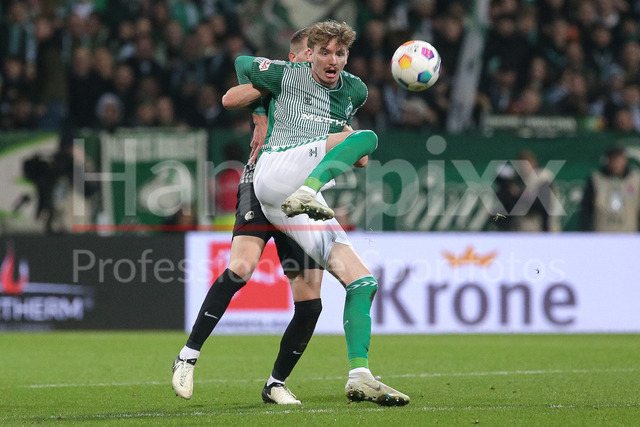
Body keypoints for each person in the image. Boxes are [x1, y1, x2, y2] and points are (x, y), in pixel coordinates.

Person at [226, 20, 409, 406]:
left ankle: (359, 376)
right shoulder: (289, 73)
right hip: (276, 171)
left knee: (362, 282)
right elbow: (242, 63)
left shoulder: (355, 90)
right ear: (309, 54)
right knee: (368, 136)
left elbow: (350, 145)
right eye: (324, 52)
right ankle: (309, 191)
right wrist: (259, 115)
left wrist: (350, 149)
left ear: (347, 56)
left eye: (339, 53)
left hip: (298, 200)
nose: (332, 60)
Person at [172, 28, 329, 406]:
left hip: (298, 196)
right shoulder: (279, 80)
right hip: (260, 184)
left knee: (311, 301)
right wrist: (259, 113)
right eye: (312, 53)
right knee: (241, 268)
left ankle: (276, 384)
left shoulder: (330, 94)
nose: (320, 60)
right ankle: (187, 356)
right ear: (296, 57)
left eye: (325, 54)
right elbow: (235, 83)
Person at [580, 145, 640, 232]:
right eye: (613, 160)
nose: (616, 164)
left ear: (625, 160)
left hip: (629, 234)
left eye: (619, 160)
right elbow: (586, 209)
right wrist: (586, 233)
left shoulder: (635, 179)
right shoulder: (596, 179)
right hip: (603, 233)